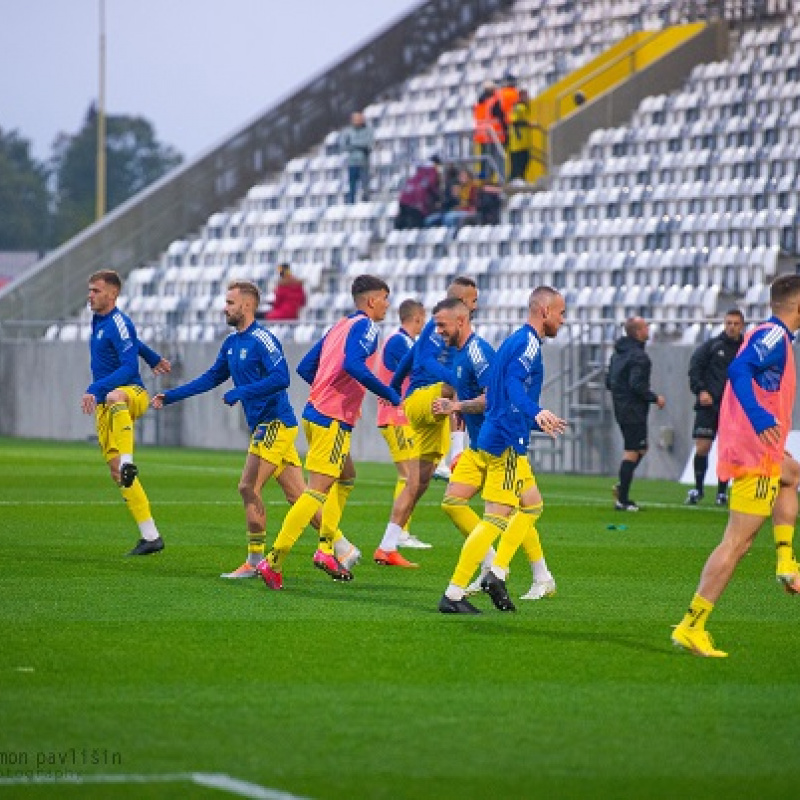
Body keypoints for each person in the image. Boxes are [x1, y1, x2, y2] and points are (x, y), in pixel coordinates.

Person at [151, 281, 353, 579]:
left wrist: (242, 391)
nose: (225, 307)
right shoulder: (232, 344)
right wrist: (171, 396)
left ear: (247, 305)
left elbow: (282, 377)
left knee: (248, 487)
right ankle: (343, 546)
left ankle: (254, 561)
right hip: (267, 425)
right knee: (299, 497)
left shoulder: (263, 339)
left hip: (275, 424)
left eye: (230, 302)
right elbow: (210, 378)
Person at [671, 275, 800, 658]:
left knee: (792, 477)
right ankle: (691, 624)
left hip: (761, 450)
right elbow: (739, 370)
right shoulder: (773, 336)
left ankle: (785, 561)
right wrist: (761, 420)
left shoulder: (774, 336)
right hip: (754, 452)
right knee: (737, 543)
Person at [256, 275, 401, 591]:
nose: (388, 305)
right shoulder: (367, 328)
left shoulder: (340, 325)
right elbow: (353, 364)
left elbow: (307, 367)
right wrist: (387, 394)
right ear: (372, 300)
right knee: (316, 492)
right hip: (332, 420)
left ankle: (325, 549)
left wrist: (328, 392)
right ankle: (275, 560)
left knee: (346, 477)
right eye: (386, 298)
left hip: (315, 413)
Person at [438, 287, 568, 614]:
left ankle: (531, 576)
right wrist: (534, 411)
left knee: (533, 506)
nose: (563, 320)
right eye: (561, 313)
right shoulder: (527, 345)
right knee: (495, 520)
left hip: (498, 433)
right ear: (544, 311)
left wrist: (535, 421)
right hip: (507, 441)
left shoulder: (513, 340)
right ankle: (466, 587)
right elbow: (512, 383)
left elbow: (498, 396)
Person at [376, 277, 479, 567]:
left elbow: (410, 358)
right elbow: (426, 362)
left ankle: (387, 546)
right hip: (424, 398)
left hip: (421, 404)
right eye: (473, 300)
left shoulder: (439, 330)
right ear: (461, 302)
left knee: (417, 482)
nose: (476, 305)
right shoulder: (440, 328)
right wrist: (454, 378)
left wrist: (393, 388)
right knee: (460, 386)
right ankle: (458, 454)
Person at [82, 269, 170, 556]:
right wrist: (153, 356)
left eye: (96, 290)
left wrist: (94, 388)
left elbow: (130, 368)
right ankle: (150, 537)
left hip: (131, 394)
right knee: (115, 472)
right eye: (90, 290)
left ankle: (129, 461)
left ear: (112, 293)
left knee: (113, 394)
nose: (90, 295)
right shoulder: (99, 320)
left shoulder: (119, 321)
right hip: (108, 407)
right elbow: (134, 345)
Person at [375, 297, 431, 549]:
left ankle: (401, 532)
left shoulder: (405, 341)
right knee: (409, 475)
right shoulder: (399, 342)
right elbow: (415, 373)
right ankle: (400, 533)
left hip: (402, 416)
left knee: (412, 475)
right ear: (417, 317)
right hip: (394, 416)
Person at [685, 309, 745, 506]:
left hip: (734, 408)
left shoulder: (746, 349)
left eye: (736, 323)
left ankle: (722, 492)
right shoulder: (711, 346)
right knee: (703, 447)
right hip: (709, 405)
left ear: (742, 325)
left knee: (727, 451)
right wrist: (701, 390)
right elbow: (695, 369)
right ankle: (698, 489)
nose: (731, 327)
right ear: (724, 323)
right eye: (728, 323)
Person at [606, 316, 666, 511]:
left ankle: (621, 488)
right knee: (633, 451)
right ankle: (622, 499)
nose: (648, 328)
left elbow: (609, 382)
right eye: (645, 326)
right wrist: (655, 398)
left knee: (640, 448)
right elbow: (637, 385)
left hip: (621, 408)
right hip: (633, 410)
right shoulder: (639, 357)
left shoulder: (617, 354)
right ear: (638, 332)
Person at [394, 156, 442, 230]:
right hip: (416, 207)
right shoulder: (432, 173)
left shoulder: (418, 174)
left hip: (405, 204)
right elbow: (429, 189)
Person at [473, 81, 506, 182]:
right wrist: (505, 132)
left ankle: (487, 180)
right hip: (495, 135)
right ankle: (500, 180)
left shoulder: (479, 103)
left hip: (483, 136)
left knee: (486, 162)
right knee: (498, 159)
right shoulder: (494, 102)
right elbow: (500, 116)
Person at [340, 111, 374, 205]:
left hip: (364, 161)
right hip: (352, 162)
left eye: (359, 120)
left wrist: (354, 144)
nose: (358, 122)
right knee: (352, 184)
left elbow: (369, 143)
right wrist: (358, 146)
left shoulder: (368, 130)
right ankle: (351, 202)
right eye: (355, 120)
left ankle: (366, 201)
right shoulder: (348, 131)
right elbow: (343, 146)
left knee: (365, 184)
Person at [508, 89, 534, 183]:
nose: (528, 98)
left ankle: (520, 181)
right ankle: (514, 183)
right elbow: (514, 121)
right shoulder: (519, 107)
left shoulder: (524, 107)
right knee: (517, 166)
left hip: (523, 143)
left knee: (523, 163)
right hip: (518, 143)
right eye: (526, 96)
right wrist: (528, 124)